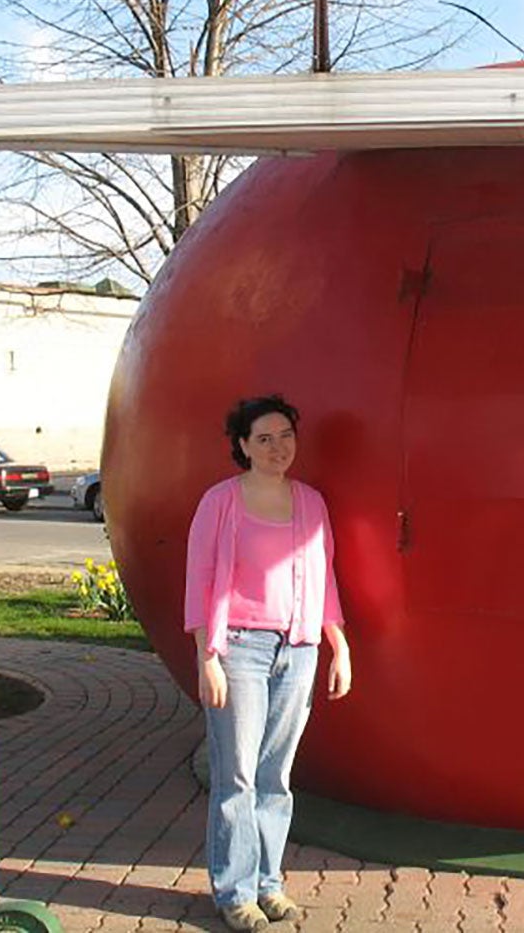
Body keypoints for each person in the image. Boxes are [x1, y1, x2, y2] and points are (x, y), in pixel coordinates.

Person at [184, 394, 352, 932]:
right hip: (239, 650)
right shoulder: (220, 502)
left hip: (298, 650)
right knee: (237, 775)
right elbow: (200, 581)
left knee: (275, 775)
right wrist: (207, 656)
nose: (278, 448)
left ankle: (268, 883)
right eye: (264, 438)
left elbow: (324, 578)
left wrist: (339, 646)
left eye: (285, 436)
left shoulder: (311, 503)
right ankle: (233, 892)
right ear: (242, 445)